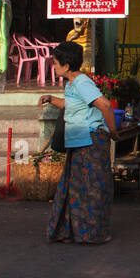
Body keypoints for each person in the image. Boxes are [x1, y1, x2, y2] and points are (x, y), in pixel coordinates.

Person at [41, 41, 120, 245]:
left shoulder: (82, 82)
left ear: (66, 66)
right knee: (75, 189)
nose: (54, 66)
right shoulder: (72, 83)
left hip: (91, 140)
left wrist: (113, 132)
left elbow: (105, 105)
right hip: (79, 141)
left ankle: (91, 234)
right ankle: (73, 231)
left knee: (91, 190)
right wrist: (51, 98)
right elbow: (71, 105)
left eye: (56, 63)